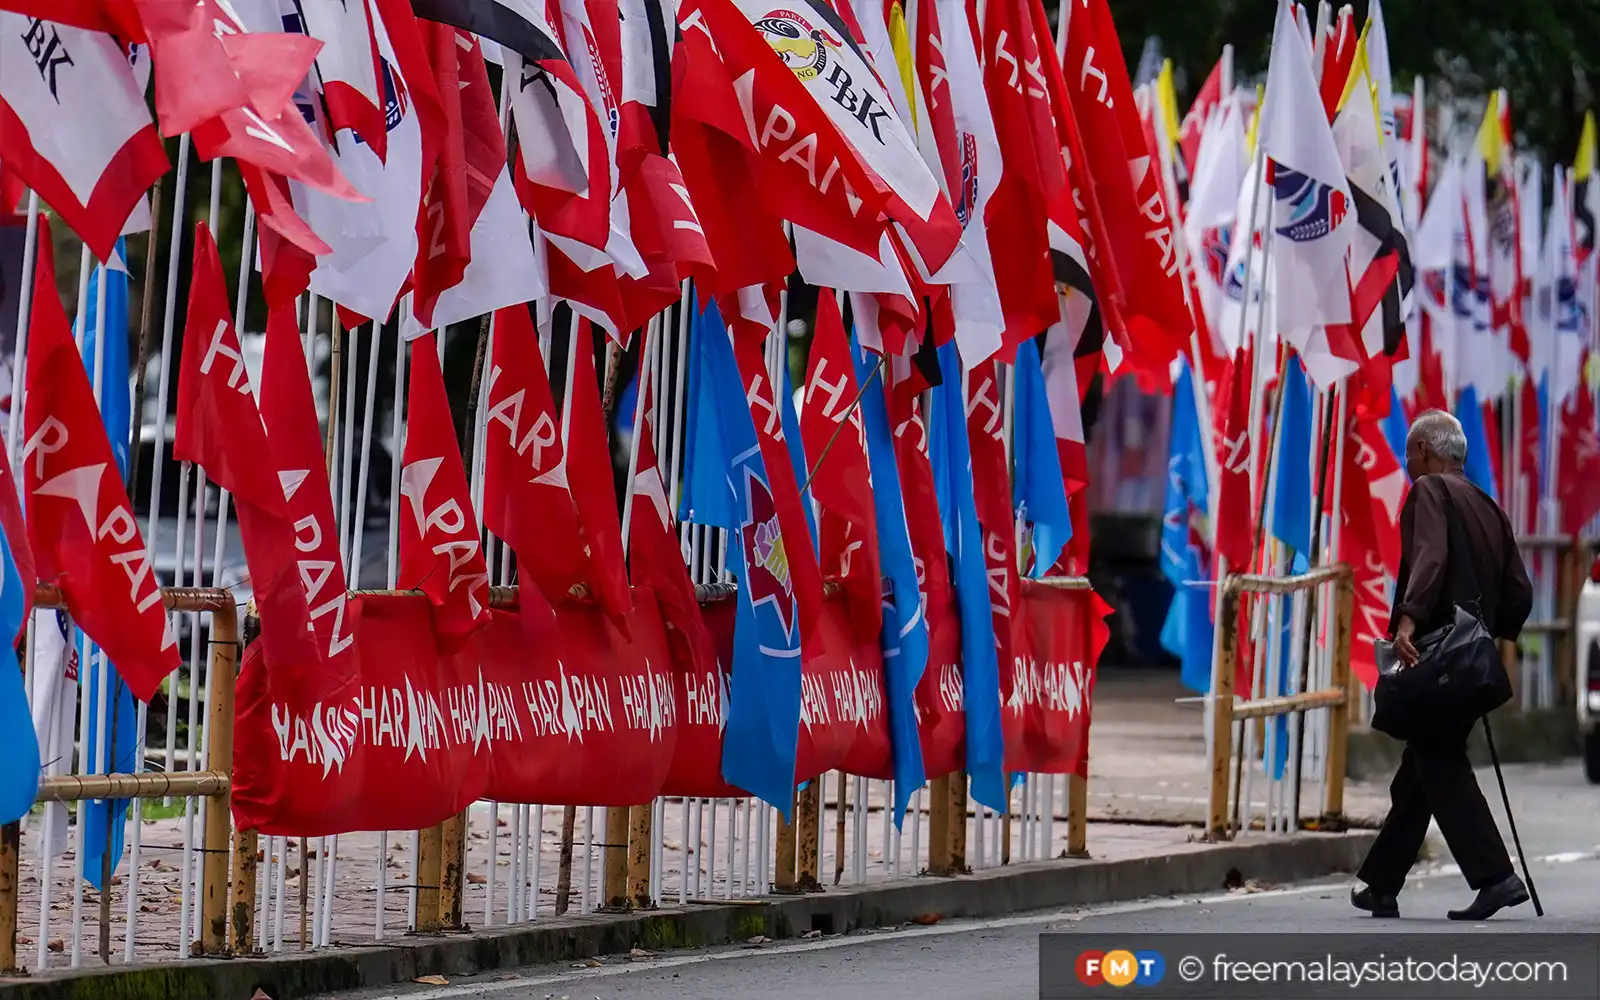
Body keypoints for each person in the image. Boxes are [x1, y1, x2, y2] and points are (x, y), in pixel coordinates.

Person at [1351, 410, 1533, 921]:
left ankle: (1496, 878)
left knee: (1439, 762)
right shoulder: (1488, 504)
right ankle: (1381, 884)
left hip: (1437, 658)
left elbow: (1429, 557)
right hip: (1474, 658)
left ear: (1426, 451)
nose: (1408, 465)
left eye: (1409, 454)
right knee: (1422, 768)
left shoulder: (1429, 490)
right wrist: (1487, 632)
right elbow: (1519, 591)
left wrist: (1408, 620)